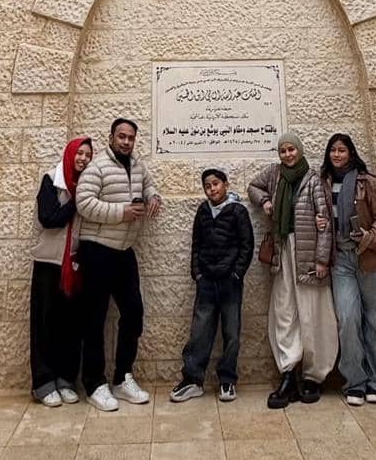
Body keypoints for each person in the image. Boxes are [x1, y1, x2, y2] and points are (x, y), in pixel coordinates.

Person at [75, 117, 162, 412]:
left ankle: (122, 377)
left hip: (124, 252)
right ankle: (94, 384)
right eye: (121, 136)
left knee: (134, 314)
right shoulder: (97, 167)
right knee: (94, 319)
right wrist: (121, 212)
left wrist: (153, 196)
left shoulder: (137, 166)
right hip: (96, 251)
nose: (126, 141)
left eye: (130, 138)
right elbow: (84, 203)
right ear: (111, 137)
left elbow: (148, 185)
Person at [248, 132, 337, 408]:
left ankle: (313, 376)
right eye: (283, 150)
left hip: (308, 256)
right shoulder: (275, 175)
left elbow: (325, 224)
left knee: (313, 315)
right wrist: (265, 202)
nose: (287, 155)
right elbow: (253, 187)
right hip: (283, 252)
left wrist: (322, 260)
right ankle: (288, 372)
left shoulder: (313, 180)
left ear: (299, 150)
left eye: (291, 149)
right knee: (284, 312)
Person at [320, 132, 376, 406]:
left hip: (369, 258)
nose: (337, 155)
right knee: (347, 319)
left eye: (342, 150)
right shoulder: (323, 182)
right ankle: (355, 382)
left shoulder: (367, 182)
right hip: (341, 260)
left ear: (350, 153)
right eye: (333, 150)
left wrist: (368, 237)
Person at [170, 168, 255, 404]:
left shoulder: (237, 211)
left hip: (230, 282)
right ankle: (193, 380)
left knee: (231, 333)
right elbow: (196, 243)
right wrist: (197, 273)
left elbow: (247, 245)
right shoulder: (203, 211)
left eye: (216, 184)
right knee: (200, 331)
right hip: (206, 281)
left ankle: (227, 380)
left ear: (225, 184)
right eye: (207, 186)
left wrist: (237, 273)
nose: (212, 189)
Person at [29, 135, 93, 406]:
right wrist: (77, 202)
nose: (83, 159)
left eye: (88, 155)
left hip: (76, 264)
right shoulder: (52, 180)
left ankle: (66, 379)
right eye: (80, 153)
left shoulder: (88, 185)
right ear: (70, 154)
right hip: (50, 263)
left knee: (71, 324)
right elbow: (48, 218)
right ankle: (43, 383)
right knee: (45, 323)